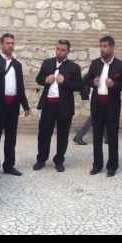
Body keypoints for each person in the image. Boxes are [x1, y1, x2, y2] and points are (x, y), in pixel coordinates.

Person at [84, 36, 122, 177]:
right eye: (101, 46)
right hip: (97, 106)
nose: (102, 49)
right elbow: (86, 80)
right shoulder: (95, 64)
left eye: (105, 46)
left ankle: (112, 166)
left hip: (112, 107)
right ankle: (97, 165)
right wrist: (94, 82)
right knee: (96, 137)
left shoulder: (120, 65)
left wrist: (115, 85)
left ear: (112, 47)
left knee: (112, 137)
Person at [0, 33, 31, 179]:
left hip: (13, 106)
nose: (10, 45)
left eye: (12, 43)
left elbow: (20, 87)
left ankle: (9, 165)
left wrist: (25, 106)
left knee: (11, 137)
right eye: (7, 43)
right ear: (1, 44)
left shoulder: (17, 65)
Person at [33, 40, 82, 173]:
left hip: (64, 106)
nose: (59, 52)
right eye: (58, 49)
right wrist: (45, 80)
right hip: (48, 104)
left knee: (62, 135)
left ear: (68, 52)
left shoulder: (74, 67)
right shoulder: (47, 63)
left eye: (63, 50)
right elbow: (38, 78)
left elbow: (79, 86)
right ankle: (41, 159)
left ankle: (59, 160)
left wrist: (65, 82)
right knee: (43, 134)